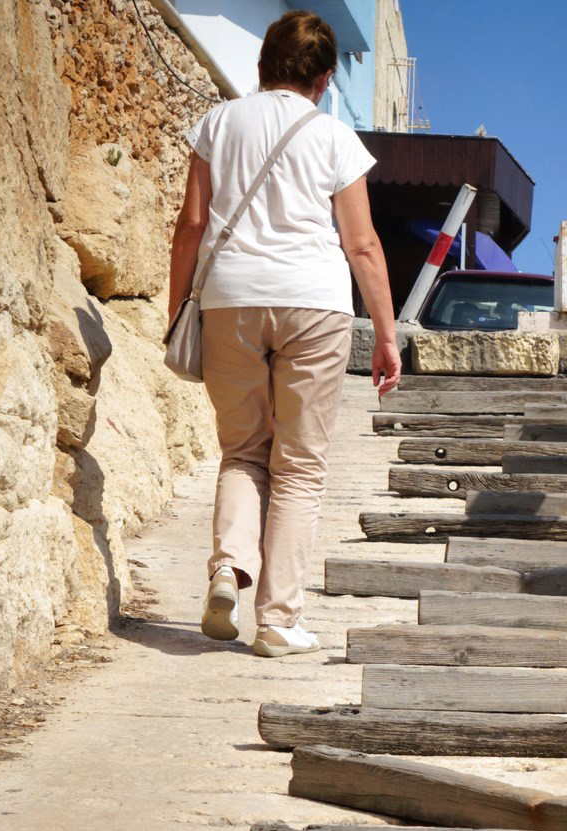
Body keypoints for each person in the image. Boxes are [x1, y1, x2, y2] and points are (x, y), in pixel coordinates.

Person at [167, 9, 400, 657]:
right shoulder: (334, 137)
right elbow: (361, 244)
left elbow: (190, 227)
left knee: (243, 451)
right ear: (325, 80)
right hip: (314, 306)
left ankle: (227, 569)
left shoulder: (218, 123)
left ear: (261, 65)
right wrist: (386, 335)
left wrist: (178, 307)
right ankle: (277, 622)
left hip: (230, 301)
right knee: (298, 467)